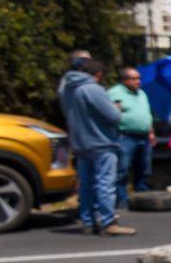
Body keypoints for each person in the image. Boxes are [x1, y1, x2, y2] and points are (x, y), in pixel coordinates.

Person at [56, 58, 134, 237]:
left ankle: (88, 221)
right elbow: (113, 117)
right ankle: (108, 222)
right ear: (97, 74)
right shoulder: (92, 89)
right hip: (101, 142)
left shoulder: (66, 89)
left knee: (86, 183)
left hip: (80, 142)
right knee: (105, 182)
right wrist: (116, 108)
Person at [109, 66, 155, 209]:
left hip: (143, 136)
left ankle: (142, 196)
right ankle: (121, 200)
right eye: (134, 79)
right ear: (124, 80)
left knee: (144, 168)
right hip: (125, 136)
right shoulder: (114, 93)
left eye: (139, 78)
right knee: (122, 169)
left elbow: (147, 114)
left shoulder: (142, 94)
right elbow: (111, 115)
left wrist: (151, 131)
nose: (138, 81)